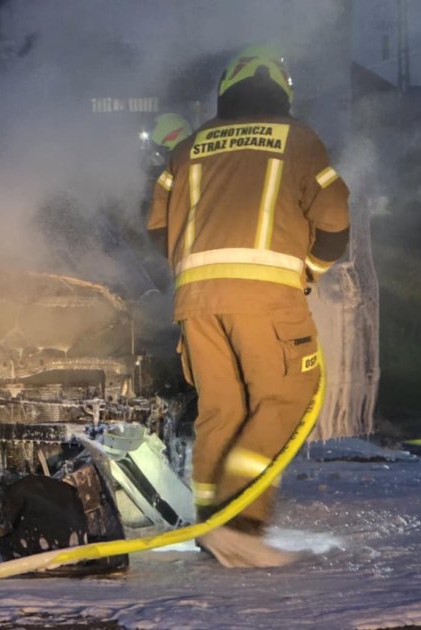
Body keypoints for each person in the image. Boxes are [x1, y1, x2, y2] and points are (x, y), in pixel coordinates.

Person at [145, 44, 350, 567]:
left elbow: (157, 229)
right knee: (285, 400)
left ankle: (213, 529)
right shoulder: (300, 140)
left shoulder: (187, 149)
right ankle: (239, 522)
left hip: (195, 301)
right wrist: (306, 271)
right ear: (282, 91)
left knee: (221, 411)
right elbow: (334, 223)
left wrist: (194, 269)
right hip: (267, 296)